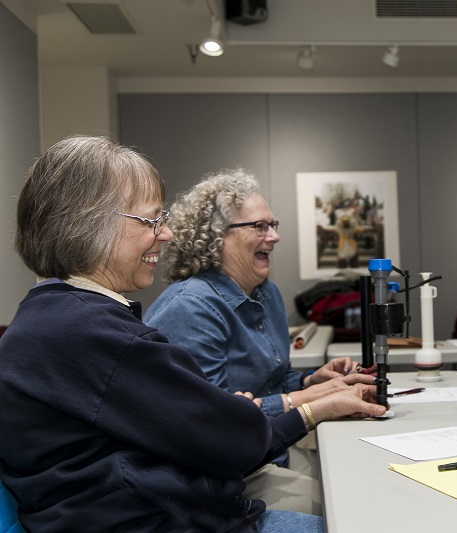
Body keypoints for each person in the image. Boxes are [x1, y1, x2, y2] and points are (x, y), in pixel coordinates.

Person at [0, 135, 387, 533]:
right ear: (87, 225)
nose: (165, 234)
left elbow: (200, 425)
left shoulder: (57, 318)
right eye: (152, 220)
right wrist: (252, 416)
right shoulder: (90, 331)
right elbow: (230, 439)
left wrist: (242, 413)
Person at [143, 168, 374, 515]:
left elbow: (274, 381)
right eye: (259, 226)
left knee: (357, 476)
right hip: (224, 477)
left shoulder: (267, 293)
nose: (274, 236)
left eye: (273, 225)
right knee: (346, 508)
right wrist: (314, 398)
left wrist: (313, 379)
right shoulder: (190, 308)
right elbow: (215, 423)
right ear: (216, 237)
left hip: (272, 450)